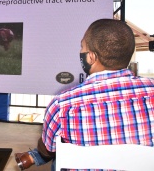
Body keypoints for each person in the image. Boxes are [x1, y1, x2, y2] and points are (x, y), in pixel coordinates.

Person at [14, 18, 154, 170]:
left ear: (91, 57)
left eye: (82, 47)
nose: (80, 51)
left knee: (54, 149)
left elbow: (48, 150)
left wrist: (43, 148)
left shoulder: (63, 104)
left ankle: (32, 157)